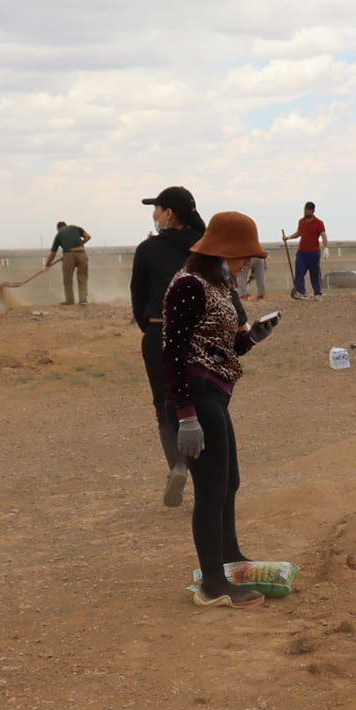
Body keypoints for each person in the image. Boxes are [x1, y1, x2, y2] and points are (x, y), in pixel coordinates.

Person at [163, 210, 281, 609]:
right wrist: (186, 415)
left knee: (229, 482)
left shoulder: (218, 284)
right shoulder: (189, 286)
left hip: (215, 392)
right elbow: (174, 354)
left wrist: (254, 338)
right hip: (197, 395)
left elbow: (221, 346)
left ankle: (229, 557)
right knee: (211, 491)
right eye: (244, 255)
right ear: (224, 250)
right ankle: (213, 584)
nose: (247, 263)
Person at [133, 187, 207, 506]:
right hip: (198, 334)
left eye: (157, 208)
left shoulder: (148, 249)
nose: (154, 214)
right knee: (201, 403)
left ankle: (177, 465)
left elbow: (137, 298)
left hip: (159, 331)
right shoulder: (204, 246)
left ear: (168, 214)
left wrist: (152, 327)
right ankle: (206, 479)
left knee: (165, 406)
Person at [46, 220, 92, 305]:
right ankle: (83, 300)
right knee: (82, 278)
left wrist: (47, 265)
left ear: (58, 228)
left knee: (68, 279)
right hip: (82, 253)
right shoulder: (76, 228)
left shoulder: (59, 234)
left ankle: (70, 301)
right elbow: (88, 237)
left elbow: (53, 253)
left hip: (68, 255)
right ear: (66, 225)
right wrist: (81, 244)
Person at [289, 201, 326, 300]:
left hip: (314, 253)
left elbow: (323, 235)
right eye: (305, 210)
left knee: (315, 273)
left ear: (313, 211)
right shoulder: (301, 221)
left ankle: (317, 293)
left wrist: (326, 248)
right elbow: (299, 233)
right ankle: (301, 292)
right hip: (301, 252)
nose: (306, 212)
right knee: (299, 272)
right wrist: (288, 237)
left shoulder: (319, 223)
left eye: (308, 210)